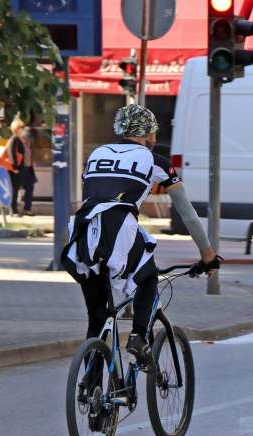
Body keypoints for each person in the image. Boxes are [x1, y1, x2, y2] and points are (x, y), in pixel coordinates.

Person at [61, 103, 220, 368]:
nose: (155, 140)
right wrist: (207, 254)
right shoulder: (155, 160)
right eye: (154, 133)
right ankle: (138, 337)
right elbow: (188, 214)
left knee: (98, 320)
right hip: (118, 229)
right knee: (147, 277)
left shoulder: (97, 155)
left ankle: (92, 394)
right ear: (146, 133)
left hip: (83, 234)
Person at [8, 118, 36, 217]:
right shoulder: (14, 138)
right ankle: (13, 210)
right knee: (15, 189)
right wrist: (14, 167)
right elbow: (11, 153)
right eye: (21, 127)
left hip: (27, 168)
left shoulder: (22, 139)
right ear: (16, 128)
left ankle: (27, 209)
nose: (23, 129)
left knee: (30, 186)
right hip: (18, 169)